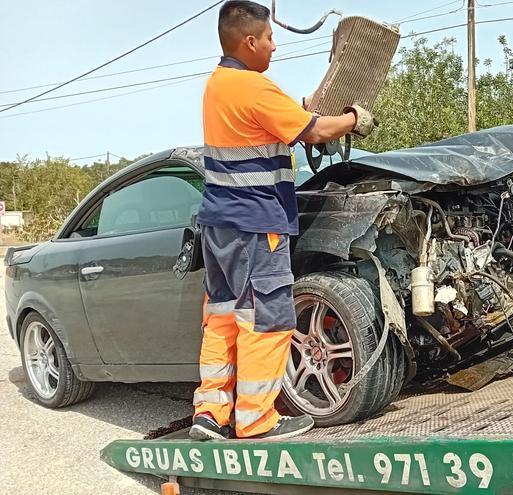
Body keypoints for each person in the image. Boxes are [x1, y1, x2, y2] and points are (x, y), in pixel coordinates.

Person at [189, 0, 374, 441]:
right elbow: (315, 131)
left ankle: (210, 413)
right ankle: (256, 419)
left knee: (223, 317)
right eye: (270, 38)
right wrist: (353, 119)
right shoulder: (255, 89)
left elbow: (285, 120)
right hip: (256, 223)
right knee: (266, 318)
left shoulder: (218, 85)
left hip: (219, 223)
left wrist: (311, 109)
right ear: (249, 41)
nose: (275, 46)